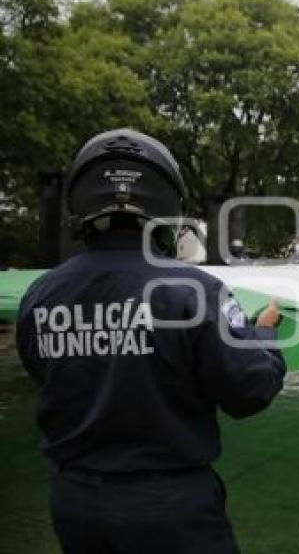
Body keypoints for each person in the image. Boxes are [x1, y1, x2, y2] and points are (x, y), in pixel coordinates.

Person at [15, 129, 285, 553]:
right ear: (166, 204)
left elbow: (44, 371)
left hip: (74, 502)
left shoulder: (39, 295)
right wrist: (264, 333)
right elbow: (249, 391)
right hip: (169, 508)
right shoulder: (194, 292)